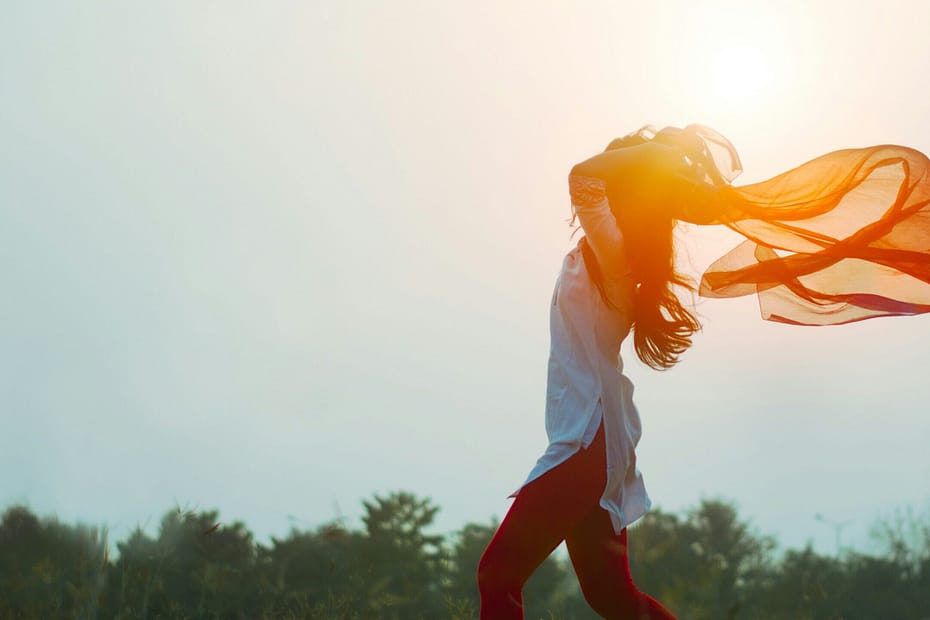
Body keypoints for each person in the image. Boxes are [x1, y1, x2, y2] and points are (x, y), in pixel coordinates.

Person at [476, 124, 930, 619]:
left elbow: (583, 176)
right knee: (612, 598)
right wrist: (655, 157)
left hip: (588, 438)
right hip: (594, 438)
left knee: (498, 574)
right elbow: (594, 179)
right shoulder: (615, 250)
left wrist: (653, 155)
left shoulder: (615, 249)